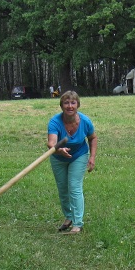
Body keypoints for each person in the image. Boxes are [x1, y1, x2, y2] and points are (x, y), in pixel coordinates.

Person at [47, 90, 97, 235]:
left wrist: (92, 157)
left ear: (78, 105)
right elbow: (51, 143)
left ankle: (77, 224)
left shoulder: (85, 121)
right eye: (66, 103)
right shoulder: (55, 122)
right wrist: (58, 150)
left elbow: (93, 138)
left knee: (74, 186)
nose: (70, 106)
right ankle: (69, 217)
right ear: (61, 106)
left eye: (73, 103)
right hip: (58, 157)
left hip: (79, 155)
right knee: (63, 189)